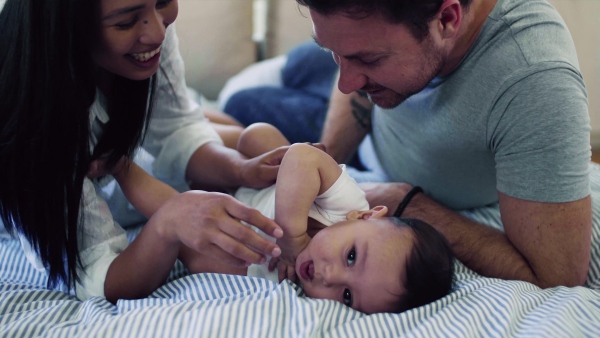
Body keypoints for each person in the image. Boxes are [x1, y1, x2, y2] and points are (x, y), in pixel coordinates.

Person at [0, 0, 288, 303]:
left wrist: (239, 169)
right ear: (66, 32)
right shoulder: (36, 128)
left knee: (232, 133)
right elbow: (99, 276)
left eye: (163, 1)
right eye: (125, 23)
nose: (158, 33)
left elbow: (176, 126)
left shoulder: (148, 25)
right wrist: (167, 223)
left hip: (118, 156)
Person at [295, 0, 592, 288]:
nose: (345, 84)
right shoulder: (372, 41)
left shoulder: (535, 85)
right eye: (334, 53)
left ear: (447, 19)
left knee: (254, 103)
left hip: (379, 169)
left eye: (369, 60)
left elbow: (558, 276)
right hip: (353, 136)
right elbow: (353, 70)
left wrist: (406, 202)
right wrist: (325, 168)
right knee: (272, 90)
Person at [116, 122, 455, 314]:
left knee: (186, 230)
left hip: (224, 210)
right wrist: (292, 237)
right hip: (255, 176)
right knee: (259, 136)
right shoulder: (347, 206)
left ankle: (120, 167)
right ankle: (200, 130)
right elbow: (302, 158)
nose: (328, 276)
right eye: (351, 256)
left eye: (347, 297)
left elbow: (209, 253)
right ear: (367, 216)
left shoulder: (284, 283)